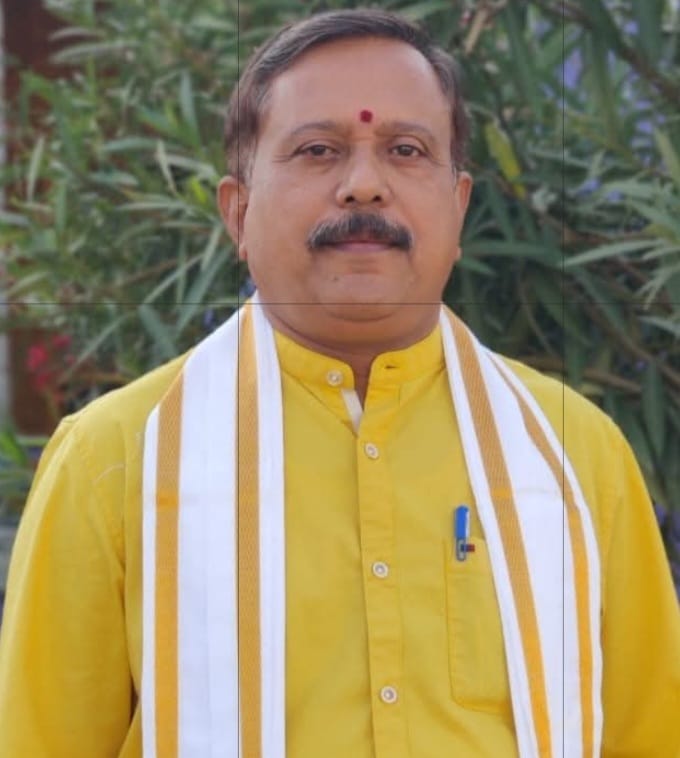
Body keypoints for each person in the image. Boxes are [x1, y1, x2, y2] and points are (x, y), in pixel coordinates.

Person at [0, 8, 678, 758]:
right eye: (318, 150)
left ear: (458, 208)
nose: (363, 186)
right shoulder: (114, 462)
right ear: (238, 212)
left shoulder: (574, 454)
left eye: (406, 150)